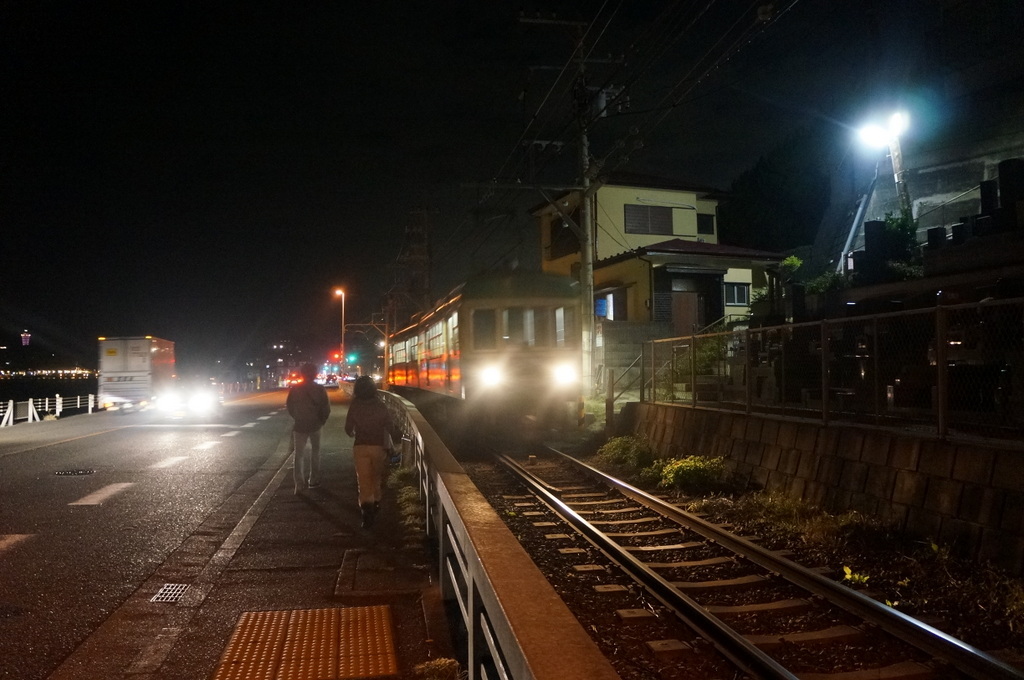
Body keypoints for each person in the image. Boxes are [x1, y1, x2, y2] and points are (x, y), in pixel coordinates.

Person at [344, 375, 398, 528]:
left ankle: (367, 514)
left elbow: (348, 428)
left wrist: (354, 432)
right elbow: (390, 425)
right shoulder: (380, 404)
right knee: (376, 478)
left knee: (363, 480)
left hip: (360, 447)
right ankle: (376, 503)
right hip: (378, 447)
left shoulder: (355, 404)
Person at [286, 363, 331, 494]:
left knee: (298, 455)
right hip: (316, 424)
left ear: (302, 374)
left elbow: (290, 406)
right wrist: (322, 421)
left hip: (300, 425)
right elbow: (326, 408)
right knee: (315, 452)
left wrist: (297, 417)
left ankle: (299, 484)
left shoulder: (295, 389)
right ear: (315, 374)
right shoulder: (320, 389)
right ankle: (313, 480)